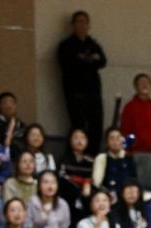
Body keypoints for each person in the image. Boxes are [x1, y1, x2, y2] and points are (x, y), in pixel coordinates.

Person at [58, 11, 106, 152]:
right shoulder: (66, 45)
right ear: (73, 25)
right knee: (78, 126)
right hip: (75, 93)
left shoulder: (93, 43)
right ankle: (77, 157)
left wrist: (84, 59)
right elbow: (68, 63)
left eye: (85, 21)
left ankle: (93, 157)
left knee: (96, 126)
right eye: (79, 21)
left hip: (93, 92)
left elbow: (103, 61)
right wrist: (90, 59)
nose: (82, 24)